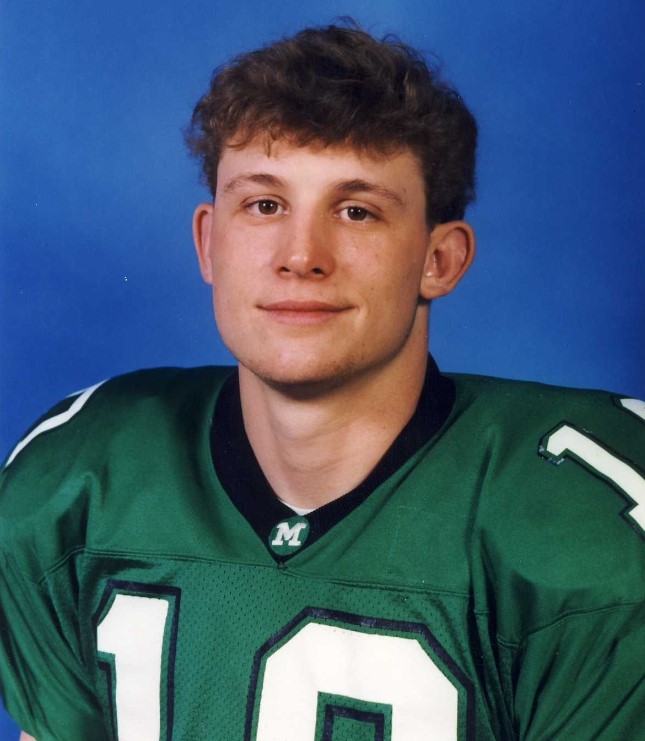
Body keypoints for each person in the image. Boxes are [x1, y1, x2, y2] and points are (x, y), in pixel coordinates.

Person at [1, 21, 643, 741]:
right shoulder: (83, 478)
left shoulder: (582, 523)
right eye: (265, 205)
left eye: (356, 210)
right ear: (209, 242)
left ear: (439, 260)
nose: (301, 255)